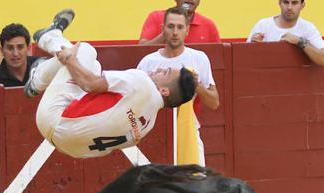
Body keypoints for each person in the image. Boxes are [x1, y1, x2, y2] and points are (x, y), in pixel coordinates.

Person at [24, 9, 197, 159]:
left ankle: (48, 44)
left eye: (165, 73)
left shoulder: (142, 82)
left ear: (164, 90)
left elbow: (89, 84)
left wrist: (69, 59)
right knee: (94, 66)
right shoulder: (148, 125)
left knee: (85, 51)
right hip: (69, 148)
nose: (159, 70)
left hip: (54, 118)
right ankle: (40, 72)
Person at [137, 6, 219, 166]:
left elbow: (214, 103)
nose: (175, 32)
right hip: (152, 137)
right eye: (171, 26)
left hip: (188, 134)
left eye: (180, 27)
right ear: (163, 29)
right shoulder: (148, 62)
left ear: (187, 30)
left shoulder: (198, 59)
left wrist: (196, 86)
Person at [247, 0, 324, 68]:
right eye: (286, 2)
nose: (289, 7)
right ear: (280, 3)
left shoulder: (308, 28)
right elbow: (245, 60)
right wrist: (257, 47)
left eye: (294, 3)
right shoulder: (263, 25)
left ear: (302, 5)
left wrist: (299, 41)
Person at [139, 0, 220, 45]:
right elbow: (141, 50)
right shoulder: (156, 17)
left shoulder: (208, 25)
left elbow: (219, 57)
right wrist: (167, 31)